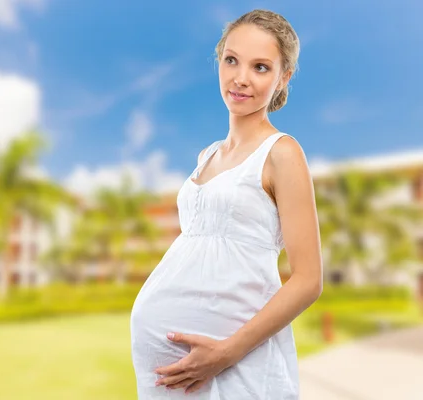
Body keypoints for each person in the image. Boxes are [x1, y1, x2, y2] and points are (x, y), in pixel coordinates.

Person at [129, 8, 323, 399]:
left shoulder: (282, 153)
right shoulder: (207, 155)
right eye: (231, 60)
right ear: (218, 61)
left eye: (261, 67)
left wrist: (223, 354)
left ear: (284, 77)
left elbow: (308, 280)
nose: (241, 78)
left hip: (236, 366)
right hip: (173, 377)